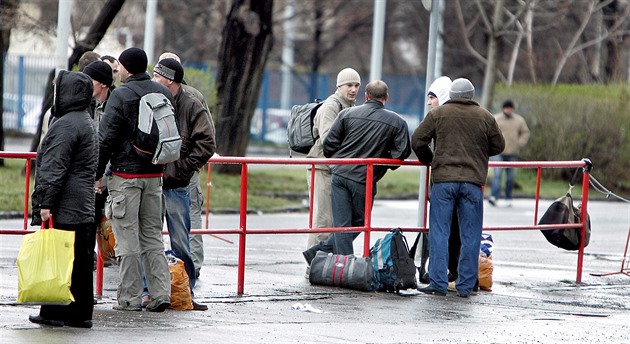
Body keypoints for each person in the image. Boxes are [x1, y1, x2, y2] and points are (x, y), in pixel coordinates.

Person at [411, 78, 505, 297]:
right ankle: (465, 286)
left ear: (451, 95)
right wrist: (477, 154)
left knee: (440, 232)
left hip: (444, 181)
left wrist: (430, 160)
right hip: (473, 183)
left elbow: (417, 140)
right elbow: (499, 145)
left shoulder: (438, 114)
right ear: (472, 95)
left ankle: (438, 283)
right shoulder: (485, 116)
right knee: (471, 235)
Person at [96, 47, 173, 312]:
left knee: (127, 237)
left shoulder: (121, 94)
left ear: (127, 68)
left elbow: (106, 139)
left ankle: (130, 297)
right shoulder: (162, 92)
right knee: (153, 235)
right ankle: (161, 293)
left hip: (126, 176)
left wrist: (96, 175)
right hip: (155, 175)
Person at [302, 80, 411, 262]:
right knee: (359, 224)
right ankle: (338, 263)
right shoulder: (397, 122)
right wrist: (383, 157)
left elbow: (328, 144)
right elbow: (400, 154)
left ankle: (322, 256)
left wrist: (342, 158)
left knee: (342, 225)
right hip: (363, 179)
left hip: (339, 175)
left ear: (366, 96)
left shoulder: (346, 114)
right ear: (386, 98)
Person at [28, 71, 97, 328]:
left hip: (66, 203)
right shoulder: (85, 121)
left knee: (59, 257)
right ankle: (80, 313)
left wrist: (45, 204)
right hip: (83, 202)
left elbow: (54, 168)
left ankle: (53, 312)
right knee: (79, 261)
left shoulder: (66, 124)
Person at [152, 58, 216, 311]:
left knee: (181, 241)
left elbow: (207, 143)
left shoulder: (190, 103)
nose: (153, 80)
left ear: (169, 80)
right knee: (151, 240)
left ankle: (185, 294)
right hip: (152, 181)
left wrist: (182, 169)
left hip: (177, 185)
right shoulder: (153, 99)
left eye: (157, 76)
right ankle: (154, 293)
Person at [303, 68, 360, 274]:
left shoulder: (351, 106)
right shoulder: (330, 107)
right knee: (322, 220)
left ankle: (327, 265)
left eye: (356, 86)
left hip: (337, 170)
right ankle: (313, 265)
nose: (353, 89)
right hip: (322, 168)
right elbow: (329, 140)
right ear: (339, 86)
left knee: (339, 223)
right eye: (349, 85)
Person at [489, 100, 530, 207]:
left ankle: (508, 197)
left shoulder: (519, 120)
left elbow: (525, 132)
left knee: (510, 177)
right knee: (497, 175)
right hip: (499, 152)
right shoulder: (496, 118)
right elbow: (490, 132)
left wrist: (519, 143)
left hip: (512, 152)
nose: (508, 110)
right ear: (503, 109)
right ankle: (494, 196)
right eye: (507, 108)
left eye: (510, 108)